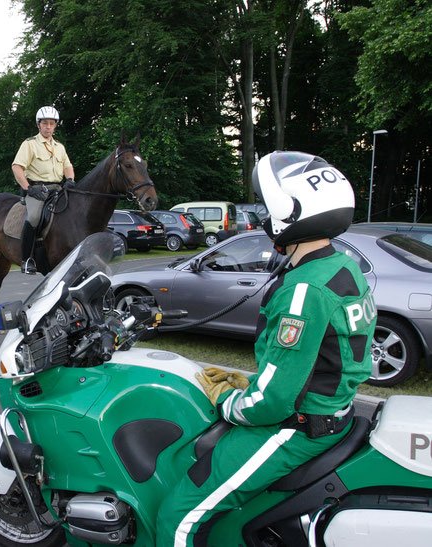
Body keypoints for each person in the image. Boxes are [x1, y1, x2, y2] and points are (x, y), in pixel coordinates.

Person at [157, 151, 377, 546]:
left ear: (291, 213)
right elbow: (317, 359)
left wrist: (228, 399)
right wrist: (256, 381)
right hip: (332, 411)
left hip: (297, 427)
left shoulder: (304, 289)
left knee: (178, 516)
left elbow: (273, 401)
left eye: (266, 208)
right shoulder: (342, 267)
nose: (262, 218)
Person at [11, 106, 75, 274]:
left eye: (51, 123)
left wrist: (70, 180)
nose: (48, 127)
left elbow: (67, 166)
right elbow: (17, 167)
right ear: (39, 125)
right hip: (37, 190)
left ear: (55, 126)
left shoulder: (59, 147)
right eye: (45, 123)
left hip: (58, 189)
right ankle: (27, 259)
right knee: (33, 217)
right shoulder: (30, 144)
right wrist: (28, 188)